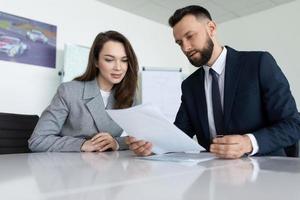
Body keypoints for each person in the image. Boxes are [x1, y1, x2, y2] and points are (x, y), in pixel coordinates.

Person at [126, 5, 300, 158]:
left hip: (265, 173)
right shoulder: (190, 85)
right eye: (179, 43)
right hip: (213, 177)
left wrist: (249, 142)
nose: (185, 48)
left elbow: (293, 124)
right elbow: (179, 134)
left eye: (190, 36)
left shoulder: (258, 64)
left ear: (211, 28)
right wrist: (152, 146)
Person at [29, 30, 138, 152]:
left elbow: (137, 139)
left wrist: (116, 143)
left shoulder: (128, 97)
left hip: (107, 166)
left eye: (124, 60)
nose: (118, 67)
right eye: (109, 59)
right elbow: (38, 140)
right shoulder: (69, 91)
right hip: (68, 166)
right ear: (96, 61)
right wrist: (82, 144)